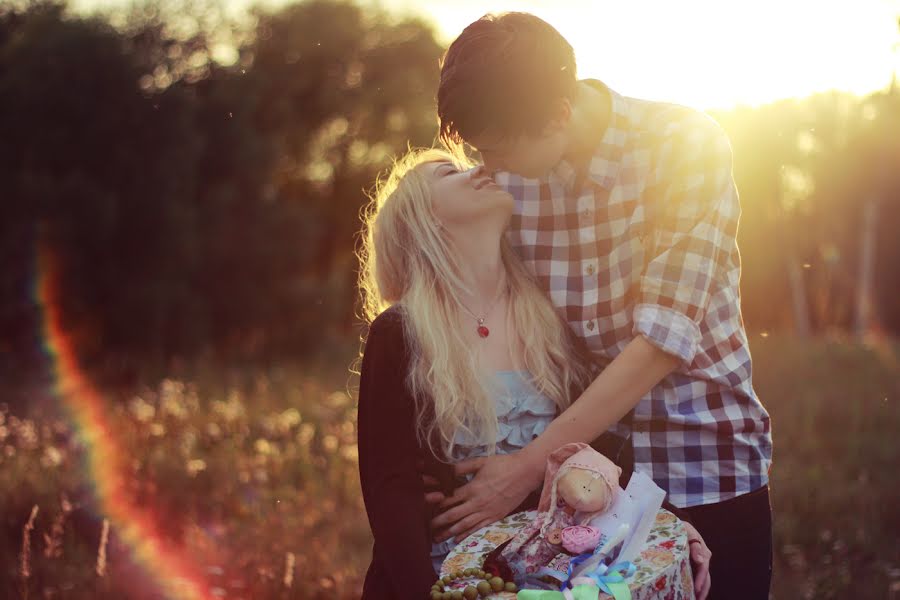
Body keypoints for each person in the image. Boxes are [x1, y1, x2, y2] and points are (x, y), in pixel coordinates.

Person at [428, 12, 773, 600]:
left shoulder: (685, 145)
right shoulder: (504, 185)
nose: (491, 166)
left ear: (559, 115)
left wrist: (524, 468)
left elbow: (662, 342)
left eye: (501, 148)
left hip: (706, 462)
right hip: (583, 481)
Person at [356, 148, 595, 599]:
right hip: (445, 583)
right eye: (451, 172)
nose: (481, 169)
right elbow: (392, 494)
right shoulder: (400, 331)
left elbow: (591, 448)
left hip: (549, 583)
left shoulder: (550, 315)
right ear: (424, 220)